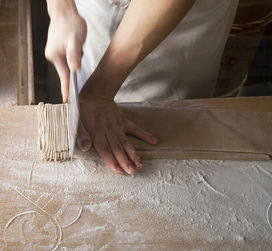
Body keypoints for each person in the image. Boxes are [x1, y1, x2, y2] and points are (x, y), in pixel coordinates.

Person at [44, 0, 239, 174]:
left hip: (173, 26)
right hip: (93, 10)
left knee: (167, 142)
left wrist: (99, 91)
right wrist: (61, 9)